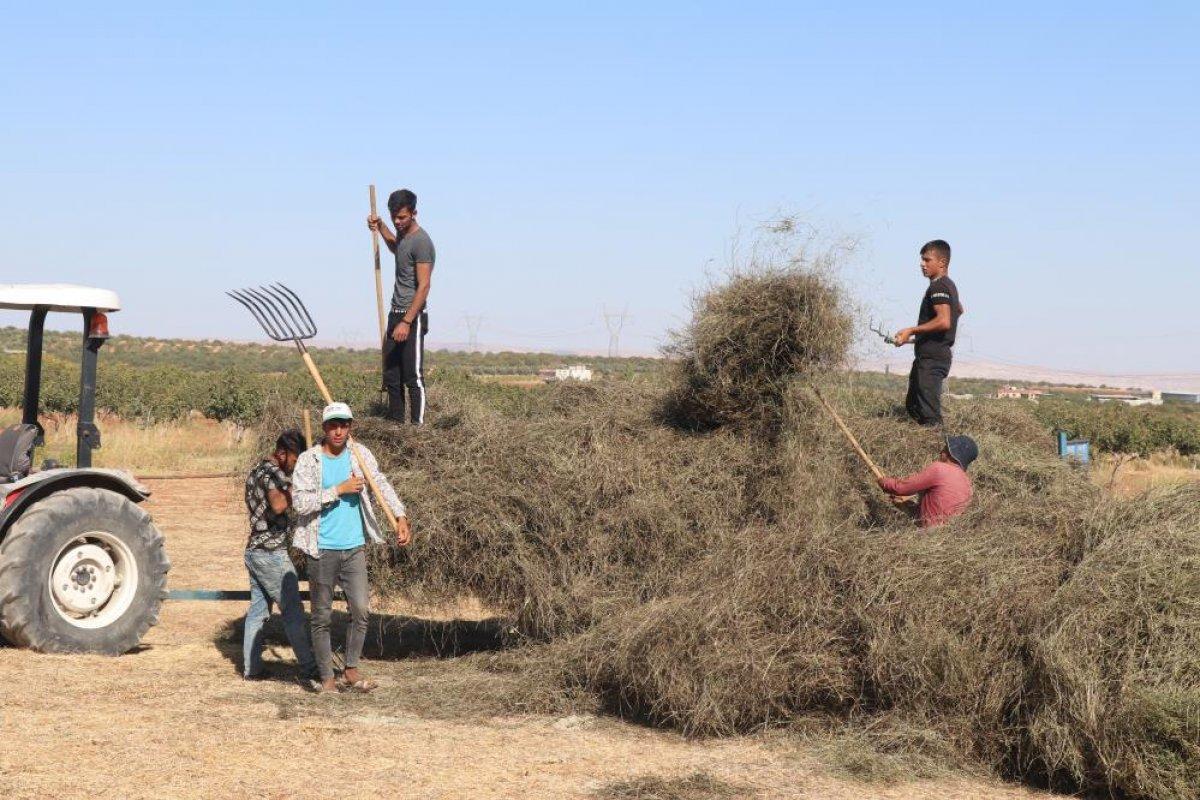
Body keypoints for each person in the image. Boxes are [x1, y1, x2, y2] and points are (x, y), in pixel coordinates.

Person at [290, 402, 410, 694]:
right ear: (324, 428)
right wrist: (337, 491)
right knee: (321, 616)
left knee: (361, 609)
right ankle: (327, 679)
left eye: (344, 425)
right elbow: (299, 503)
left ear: (350, 426)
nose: (339, 431)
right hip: (321, 548)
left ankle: (351, 668)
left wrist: (400, 516)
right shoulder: (309, 461)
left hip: (354, 546)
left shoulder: (360, 454)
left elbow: (380, 484)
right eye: (333, 425)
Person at [242, 429, 318, 683]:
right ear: (282, 453)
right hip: (271, 553)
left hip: (254, 551)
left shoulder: (256, 470)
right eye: (296, 461)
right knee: (293, 612)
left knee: (258, 612)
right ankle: (309, 668)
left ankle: (252, 668)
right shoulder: (274, 473)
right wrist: (301, 486)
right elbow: (277, 504)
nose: (297, 466)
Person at [368, 188, 436, 424]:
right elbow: (397, 249)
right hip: (395, 313)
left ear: (414, 213)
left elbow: (424, 286)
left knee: (412, 376)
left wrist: (407, 321)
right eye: (394, 217)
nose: (397, 221)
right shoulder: (404, 237)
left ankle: (417, 428)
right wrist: (381, 227)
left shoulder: (422, 242)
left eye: (402, 217)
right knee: (391, 374)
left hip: (412, 316)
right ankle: (396, 424)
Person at [893, 239, 963, 426]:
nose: (922, 264)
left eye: (927, 260)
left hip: (933, 359)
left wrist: (912, 330)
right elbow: (959, 310)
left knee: (929, 413)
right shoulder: (949, 285)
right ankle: (922, 445)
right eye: (922, 260)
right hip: (929, 355)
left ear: (942, 263)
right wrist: (917, 338)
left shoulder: (938, 286)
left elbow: (944, 320)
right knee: (913, 406)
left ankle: (938, 449)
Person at [877, 435, 977, 528]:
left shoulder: (939, 469)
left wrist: (884, 482)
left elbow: (900, 488)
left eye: (944, 449)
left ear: (950, 453)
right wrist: (906, 505)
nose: (940, 452)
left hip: (926, 534)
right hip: (944, 538)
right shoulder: (968, 484)